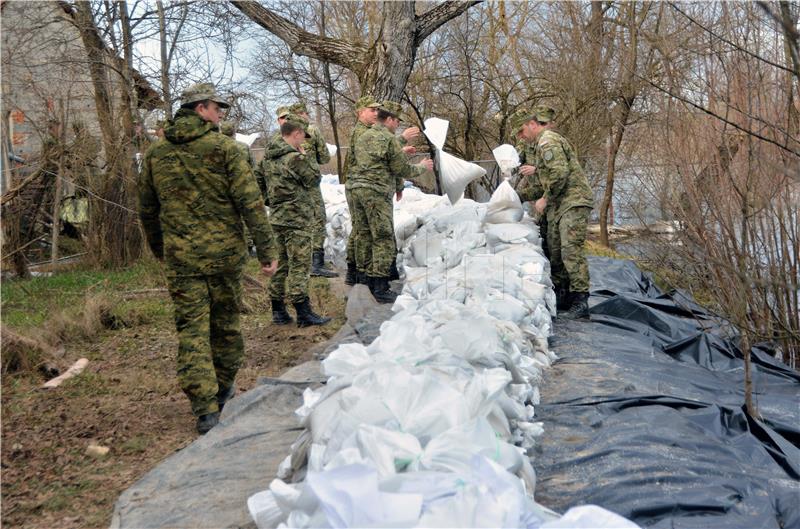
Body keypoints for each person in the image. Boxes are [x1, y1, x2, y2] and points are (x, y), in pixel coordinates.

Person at [138, 82, 278, 435]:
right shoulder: (225, 149)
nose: (221, 115)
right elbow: (250, 203)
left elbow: (147, 211)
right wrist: (267, 250)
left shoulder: (156, 154)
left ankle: (204, 407)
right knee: (226, 325)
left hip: (181, 259)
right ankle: (223, 388)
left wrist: (161, 250)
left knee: (192, 331)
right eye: (218, 108)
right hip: (224, 256)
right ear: (201, 108)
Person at [511, 105, 594, 319]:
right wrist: (516, 196)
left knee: (569, 249)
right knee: (555, 251)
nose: (521, 136)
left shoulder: (548, 141)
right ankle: (564, 296)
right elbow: (544, 184)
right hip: (560, 203)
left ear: (532, 124)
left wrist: (546, 198)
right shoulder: (539, 145)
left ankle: (580, 300)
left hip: (572, 201)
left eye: (521, 131)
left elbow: (559, 173)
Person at [348, 100, 433, 303]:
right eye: (397, 122)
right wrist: (422, 167)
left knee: (364, 233)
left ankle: (363, 278)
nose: (398, 126)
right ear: (391, 120)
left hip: (356, 190)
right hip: (375, 192)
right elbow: (402, 169)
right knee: (383, 237)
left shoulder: (364, 135)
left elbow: (376, 161)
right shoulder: (388, 138)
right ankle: (380, 286)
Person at [266, 113, 332, 327]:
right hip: (297, 220)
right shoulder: (295, 158)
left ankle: (278, 311)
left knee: (281, 264)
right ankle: (303, 313)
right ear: (295, 134)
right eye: (302, 137)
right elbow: (314, 179)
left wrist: (274, 201)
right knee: (299, 266)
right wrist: (303, 156)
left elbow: (259, 181)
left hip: (277, 217)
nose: (304, 141)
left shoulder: (269, 157)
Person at [288, 102, 338, 278]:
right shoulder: (312, 131)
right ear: (303, 114)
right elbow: (324, 157)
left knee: (294, 219)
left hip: (288, 186)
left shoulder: (282, 134)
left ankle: (295, 260)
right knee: (317, 219)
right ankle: (316, 263)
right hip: (309, 184)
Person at [342, 95, 381, 285]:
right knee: (363, 231)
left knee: (358, 228)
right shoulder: (362, 133)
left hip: (355, 184)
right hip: (360, 186)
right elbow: (375, 154)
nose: (376, 113)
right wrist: (400, 141)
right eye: (372, 110)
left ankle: (353, 270)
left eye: (377, 110)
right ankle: (360, 272)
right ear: (360, 112)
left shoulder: (365, 130)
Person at [254, 106, 291, 205]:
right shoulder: (273, 140)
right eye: (283, 117)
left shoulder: (300, 137)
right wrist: (266, 197)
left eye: (289, 117)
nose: (286, 120)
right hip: (278, 200)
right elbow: (260, 170)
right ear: (278, 120)